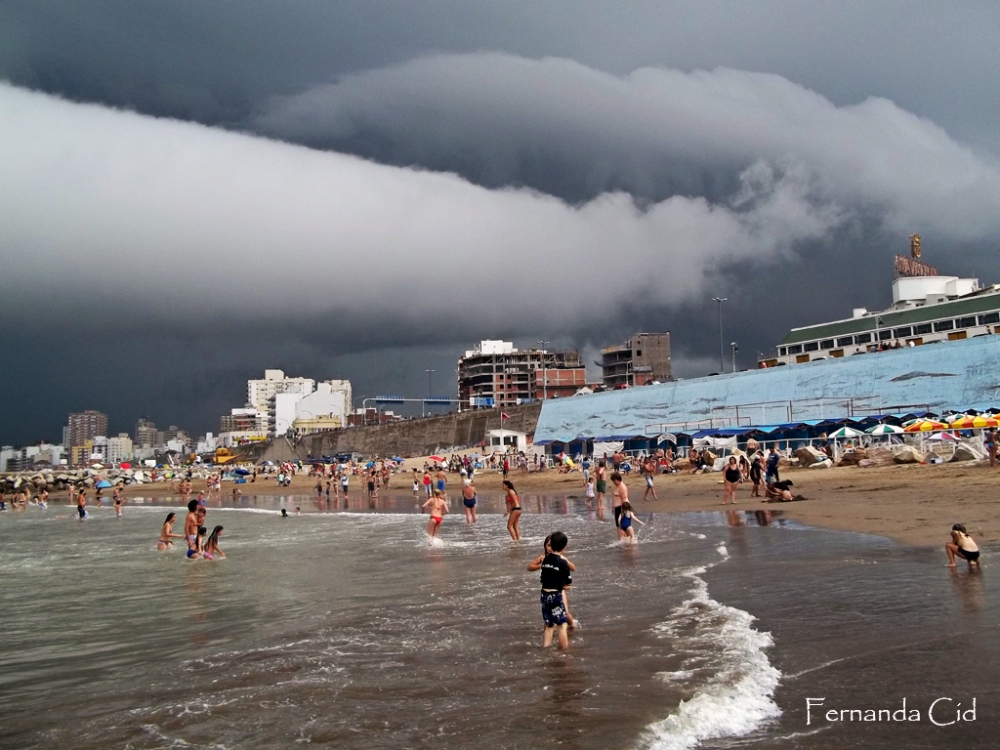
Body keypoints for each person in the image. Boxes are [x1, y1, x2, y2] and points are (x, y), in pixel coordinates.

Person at [526, 531, 573, 649]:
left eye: (551, 545)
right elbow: (529, 567)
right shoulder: (549, 559)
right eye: (548, 545)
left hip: (550, 592)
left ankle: (571, 625)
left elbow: (571, 566)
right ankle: (564, 649)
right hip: (554, 592)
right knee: (558, 623)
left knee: (556, 620)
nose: (550, 547)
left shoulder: (552, 559)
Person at [610, 472, 628, 539]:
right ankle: (625, 541)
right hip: (617, 508)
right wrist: (613, 507)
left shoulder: (622, 487)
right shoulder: (617, 486)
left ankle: (620, 541)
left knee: (620, 526)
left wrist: (622, 511)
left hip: (621, 508)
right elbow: (615, 497)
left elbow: (624, 499)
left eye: (614, 481)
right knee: (619, 526)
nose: (613, 483)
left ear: (617, 480)